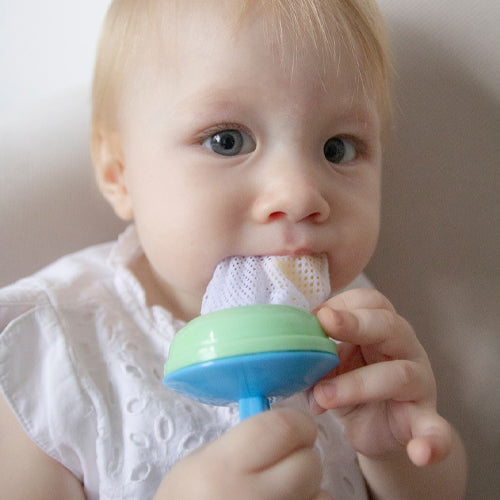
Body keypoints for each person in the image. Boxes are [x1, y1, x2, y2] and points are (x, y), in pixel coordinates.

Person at [0, 0, 467, 499]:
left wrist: (396, 451)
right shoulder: (55, 352)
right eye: (227, 140)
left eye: (338, 148)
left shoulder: (352, 325)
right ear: (119, 173)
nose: (300, 195)